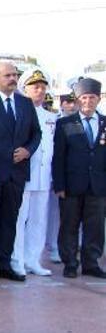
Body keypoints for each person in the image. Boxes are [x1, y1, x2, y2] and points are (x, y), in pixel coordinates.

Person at [0, 62, 40, 282]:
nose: (12, 78)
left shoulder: (25, 103)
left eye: (14, 75)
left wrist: (27, 150)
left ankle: (4, 264)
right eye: (7, 75)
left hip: (16, 173)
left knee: (9, 221)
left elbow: (36, 134)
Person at [52, 78, 106, 279]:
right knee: (69, 225)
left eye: (92, 97)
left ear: (98, 99)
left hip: (98, 185)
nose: (88, 101)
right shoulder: (66, 123)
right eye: (84, 97)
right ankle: (70, 263)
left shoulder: (105, 123)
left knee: (95, 227)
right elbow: (58, 157)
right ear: (77, 99)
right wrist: (59, 184)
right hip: (72, 184)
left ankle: (91, 263)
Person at [11, 70, 56, 276]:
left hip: (44, 175)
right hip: (24, 174)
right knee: (20, 218)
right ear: (24, 88)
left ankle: (33, 259)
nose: (40, 90)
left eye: (43, 87)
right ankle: (17, 259)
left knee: (39, 219)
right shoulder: (19, 111)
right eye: (35, 86)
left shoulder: (52, 117)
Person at [45, 93, 79, 263]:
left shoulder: (77, 122)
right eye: (68, 103)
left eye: (74, 102)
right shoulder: (56, 120)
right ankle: (53, 246)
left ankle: (68, 248)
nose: (72, 106)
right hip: (51, 174)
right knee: (53, 215)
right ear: (62, 104)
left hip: (72, 178)